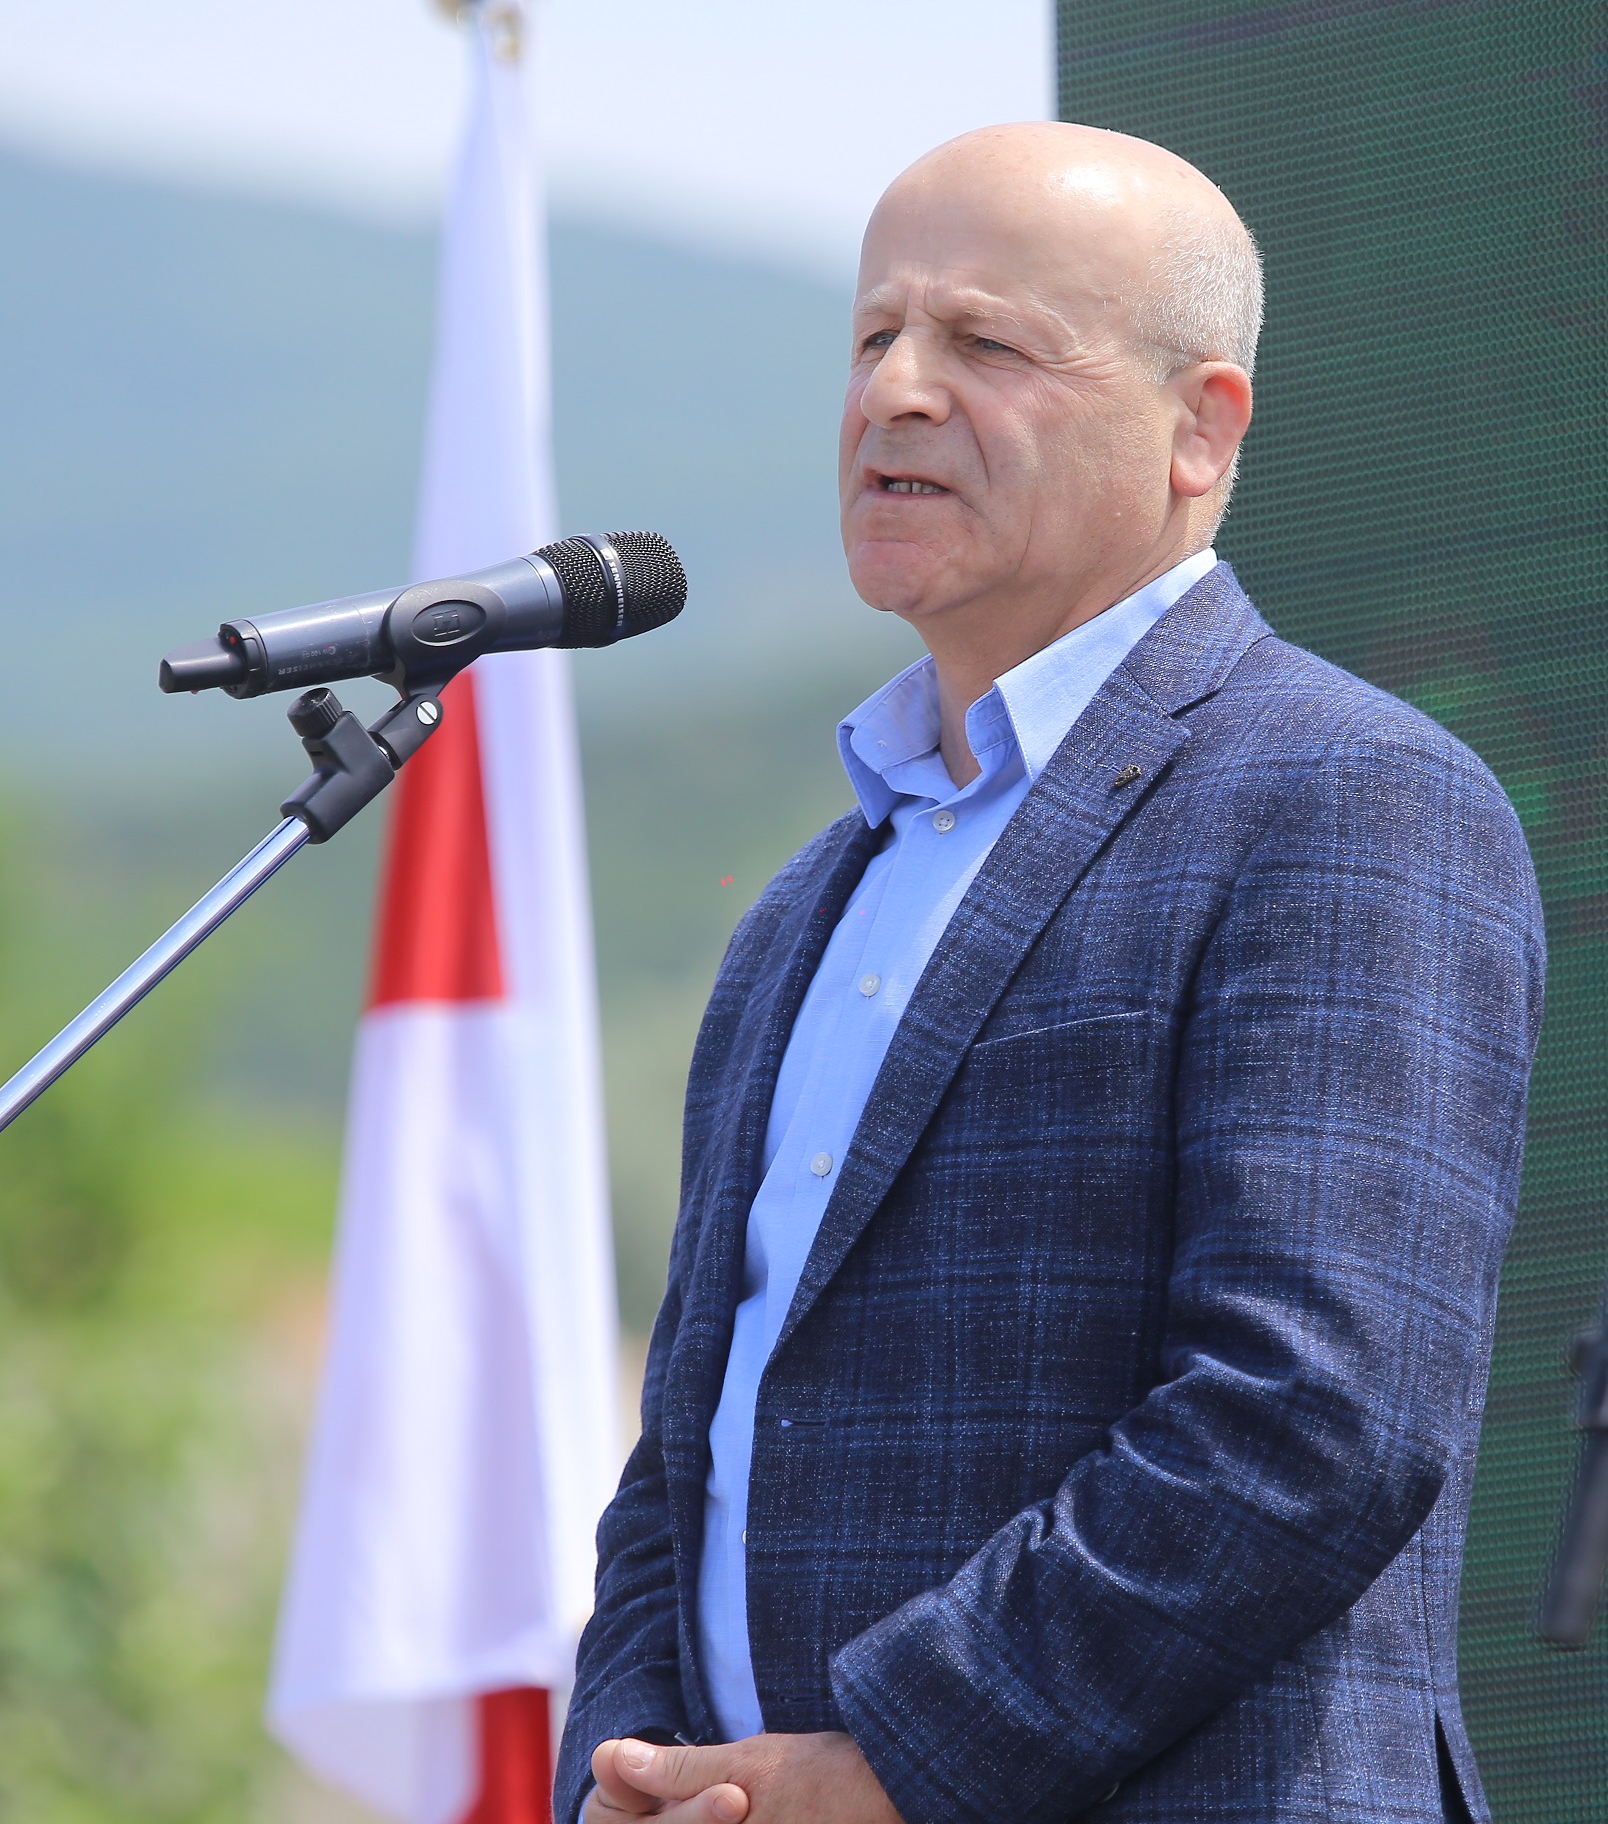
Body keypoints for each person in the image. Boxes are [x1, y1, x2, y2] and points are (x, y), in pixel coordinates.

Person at [558, 122, 1545, 1824]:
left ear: (1199, 428)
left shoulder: (1343, 796)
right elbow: (687, 1453)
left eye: (987, 343)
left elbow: (1311, 1417)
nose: (895, 392)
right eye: (874, 336)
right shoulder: (803, 910)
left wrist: (897, 1769)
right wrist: (631, 1770)